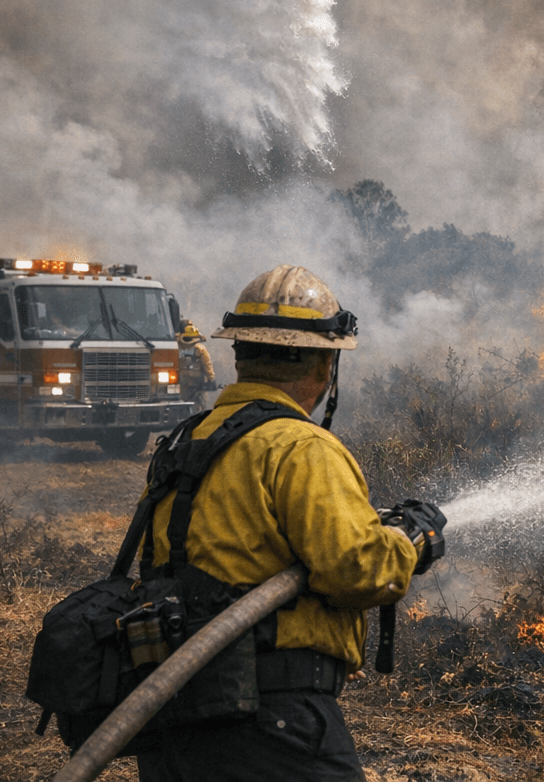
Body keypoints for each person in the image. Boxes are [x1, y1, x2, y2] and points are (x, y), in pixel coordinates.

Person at [135, 265, 422, 782]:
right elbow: (358, 570)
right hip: (271, 720)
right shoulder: (300, 447)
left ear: (241, 354)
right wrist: (410, 543)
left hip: (176, 714)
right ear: (323, 365)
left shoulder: (188, 439)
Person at [175, 318, 217, 406]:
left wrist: (211, 379)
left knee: (198, 409)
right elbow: (207, 365)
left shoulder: (198, 349)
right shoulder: (198, 348)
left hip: (196, 389)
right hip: (186, 388)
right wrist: (211, 379)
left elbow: (207, 365)